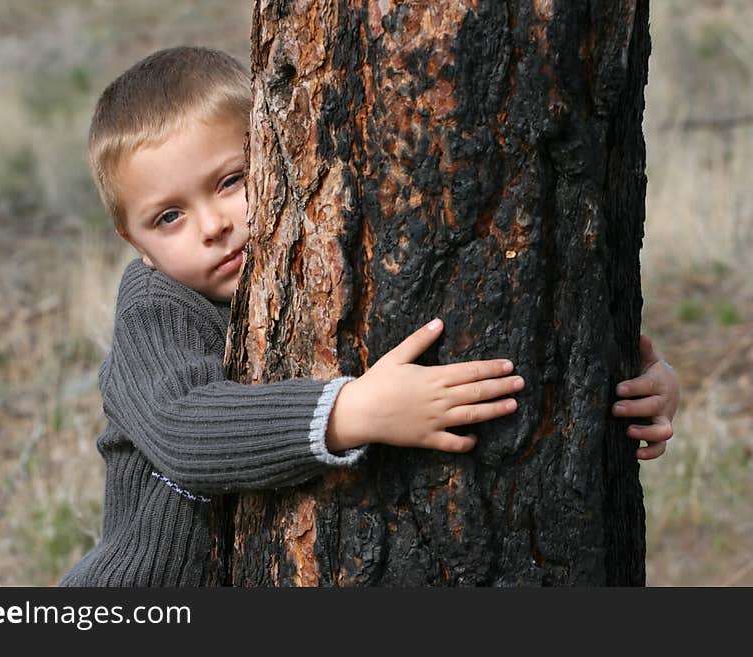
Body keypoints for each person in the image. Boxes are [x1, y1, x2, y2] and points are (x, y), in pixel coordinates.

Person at [60, 47, 679, 586]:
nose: (213, 225)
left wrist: (618, 386)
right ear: (133, 241)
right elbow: (182, 433)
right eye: (168, 217)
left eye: (231, 180)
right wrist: (352, 412)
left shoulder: (322, 261)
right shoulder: (154, 311)